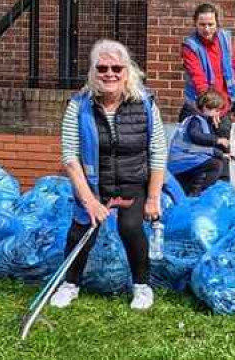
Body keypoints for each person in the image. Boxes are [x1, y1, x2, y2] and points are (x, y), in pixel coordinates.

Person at [51, 39, 167, 311]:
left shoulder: (145, 104)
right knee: (81, 230)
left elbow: (158, 151)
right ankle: (70, 284)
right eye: (102, 68)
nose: (110, 74)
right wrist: (90, 201)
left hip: (132, 181)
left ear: (128, 71)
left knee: (130, 227)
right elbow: (70, 157)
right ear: (93, 72)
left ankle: (141, 286)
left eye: (117, 67)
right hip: (94, 182)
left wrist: (153, 198)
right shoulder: (79, 106)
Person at [180, 2, 235, 128]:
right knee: (195, 145)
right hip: (199, 105)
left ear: (217, 23)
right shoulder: (190, 46)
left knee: (222, 144)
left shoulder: (226, 39)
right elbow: (198, 79)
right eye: (202, 25)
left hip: (223, 106)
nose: (206, 29)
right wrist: (210, 106)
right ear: (195, 24)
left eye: (210, 24)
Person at [168, 90, 233, 196]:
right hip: (181, 160)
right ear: (206, 108)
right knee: (215, 165)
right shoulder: (195, 120)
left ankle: (194, 190)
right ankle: (196, 193)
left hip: (188, 157)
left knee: (215, 162)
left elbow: (202, 148)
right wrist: (218, 140)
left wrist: (222, 154)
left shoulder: (205, 122)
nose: (218, 114)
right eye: (216, 110)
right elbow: (196, 137)